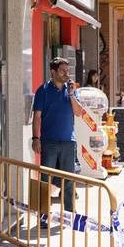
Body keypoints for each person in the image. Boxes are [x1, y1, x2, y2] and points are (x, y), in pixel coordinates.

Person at [32, 57, 84, 211]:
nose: (66, 74)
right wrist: (36, 138)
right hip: (50, 142)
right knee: (45, 179)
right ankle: (43, 213)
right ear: (53, 71)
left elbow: (79, 112)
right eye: (62, 70)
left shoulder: (72, 90)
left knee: (69, 180)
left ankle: (69, 213)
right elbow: (37, 116)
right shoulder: (43, 91)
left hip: (68, 141)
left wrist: (72, 94)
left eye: (67, 70)